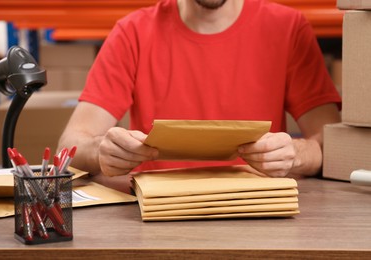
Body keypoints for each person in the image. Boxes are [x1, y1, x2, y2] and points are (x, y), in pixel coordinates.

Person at [58, 0, 341, 183]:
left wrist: (297, 153)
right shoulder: (132, 32)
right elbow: (69, 146)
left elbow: (335, 146)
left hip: (259, 210)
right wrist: (101, 152)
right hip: (158, 214)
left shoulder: (288, 29)